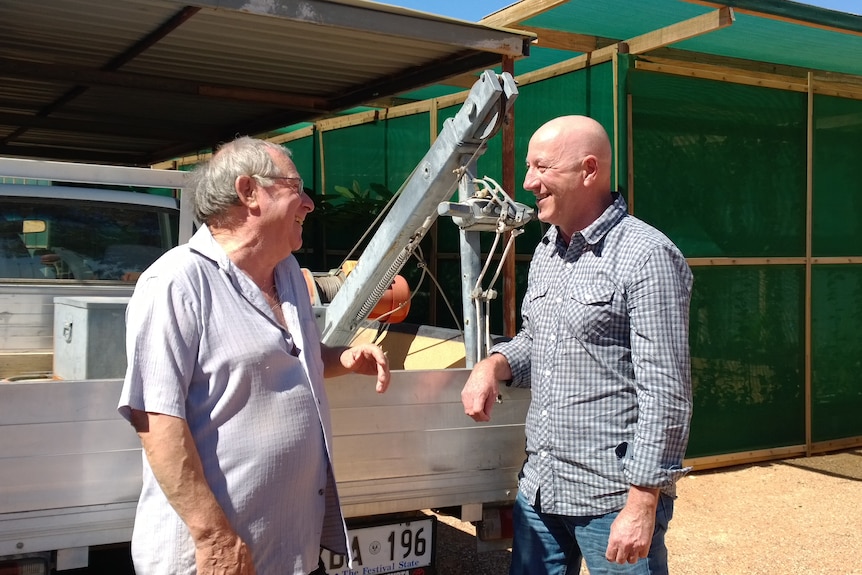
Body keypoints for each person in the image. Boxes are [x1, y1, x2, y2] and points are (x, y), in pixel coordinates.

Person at [118, 136, 390, 575]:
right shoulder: (176, 283)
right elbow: (157, 419)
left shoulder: (286, 274)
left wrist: (340, 358)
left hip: (289, 553)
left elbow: (287, 356)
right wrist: (214, 538)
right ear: (248, 192)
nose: (309, 203)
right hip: (214, 558)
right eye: (296, 188)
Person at [461, 116, 693, 575]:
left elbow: (667, 394)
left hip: (610, 498)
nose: (528, 182)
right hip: (541, 490)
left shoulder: (647, 256)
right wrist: (495, 362)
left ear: (589, 170)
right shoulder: (548, 249)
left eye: (542, 168)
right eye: (528, 167)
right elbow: (537, 339)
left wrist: (642, 503)